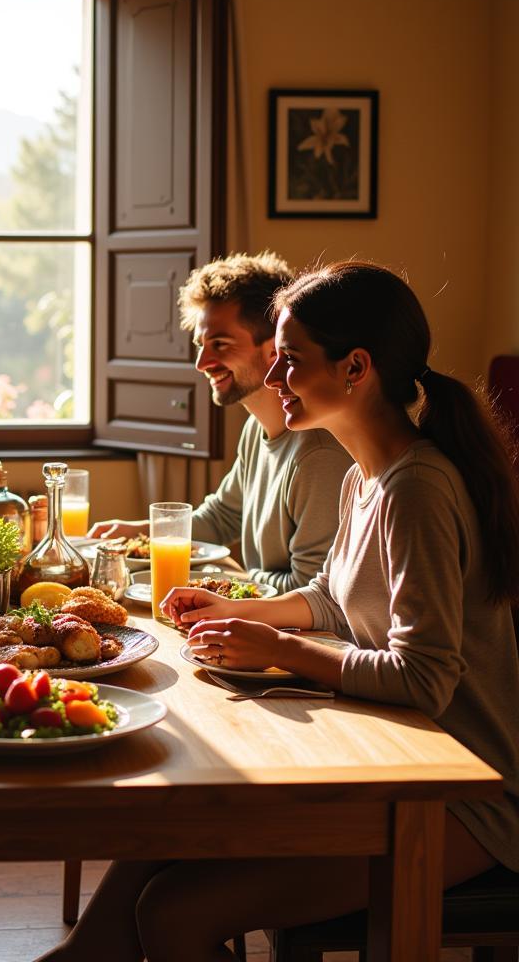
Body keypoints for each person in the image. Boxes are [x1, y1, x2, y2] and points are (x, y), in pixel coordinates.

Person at [40, 261, 519, 962]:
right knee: (171, 832)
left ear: (355, 368)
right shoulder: (368, 475)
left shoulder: (416, 489)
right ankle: (89, 952)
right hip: (391, 757)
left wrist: (282, 649)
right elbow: (329, 595)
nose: (271, 379)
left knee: (173, 913)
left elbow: (425, 678)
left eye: (289, 361)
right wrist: (249, 613)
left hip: (464, 796)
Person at [90, 251, 351, 593]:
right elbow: (222, 517)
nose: (202, 362)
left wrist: (225, 580)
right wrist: (141, 532)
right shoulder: (256, 429)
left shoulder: (318, 454)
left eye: (220, 344)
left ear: (275, 348)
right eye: (201, 344)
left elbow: (309, 589)